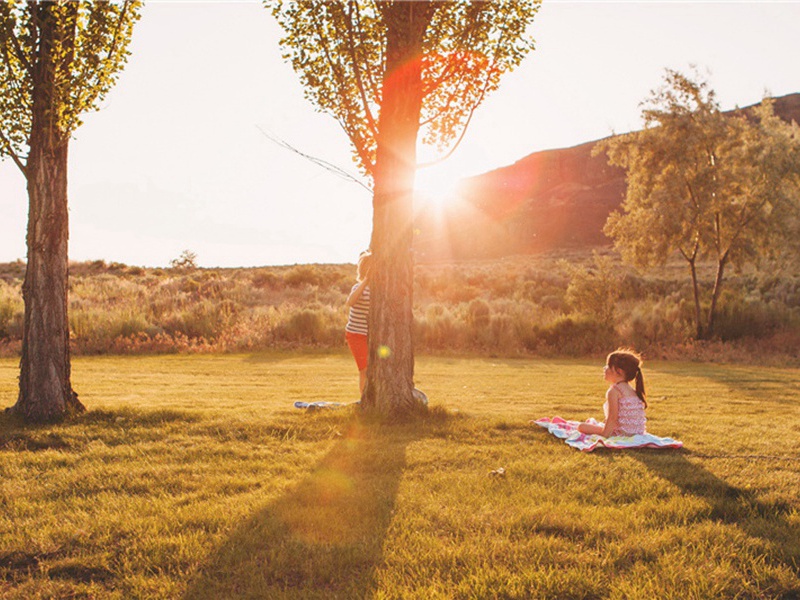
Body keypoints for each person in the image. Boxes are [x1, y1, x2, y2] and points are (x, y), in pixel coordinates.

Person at [578, 348, 647, 437]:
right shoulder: (632, 390)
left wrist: (605, 434)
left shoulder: (614, 391)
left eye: (608, 366)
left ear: (619, 371)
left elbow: (613, 418)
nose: (604, 368)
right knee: (594, 425)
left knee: (581, 427)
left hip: (621, 433)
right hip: (637, 433)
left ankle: (605, 431)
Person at [345, 250, 372, 394]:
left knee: (373, 370)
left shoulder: (380, 289)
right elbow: (350, 302)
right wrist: (366, 281)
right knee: (364, 369)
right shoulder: (358, 287)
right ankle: (364, 400)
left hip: (370, 337)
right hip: (356, 335)